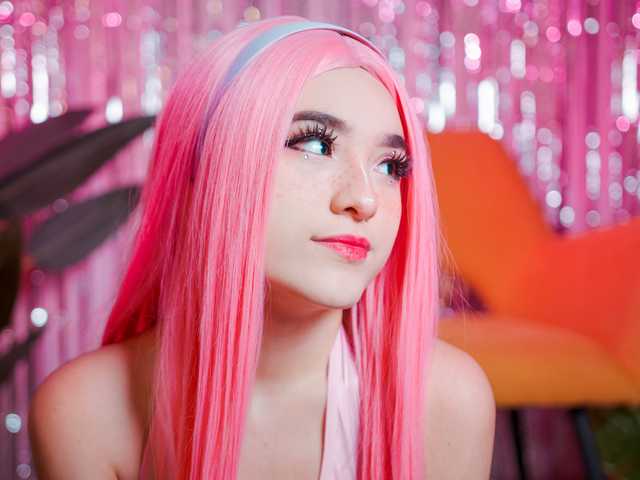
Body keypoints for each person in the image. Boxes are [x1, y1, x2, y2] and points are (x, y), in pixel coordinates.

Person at [28, 15, 495, 479]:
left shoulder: (446, 402)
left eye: (390, 167)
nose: (365, 199)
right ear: (202, 169)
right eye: (315, 145)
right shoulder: (86, 414)